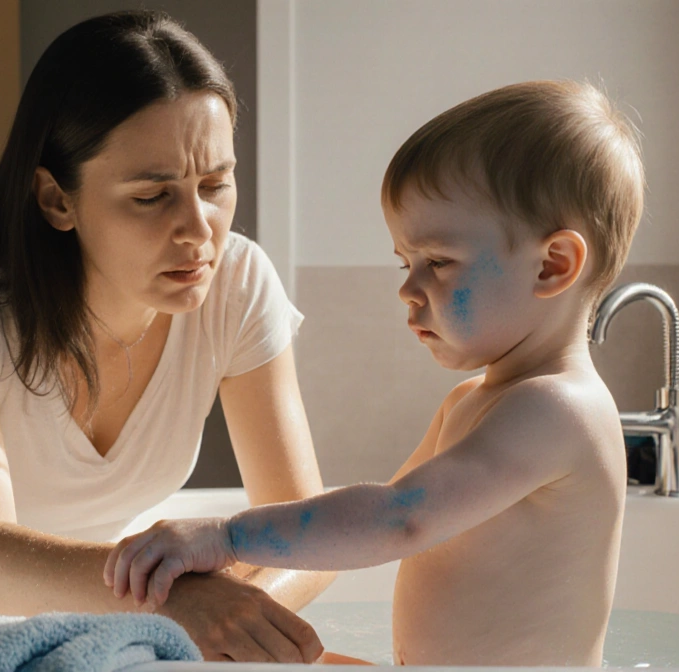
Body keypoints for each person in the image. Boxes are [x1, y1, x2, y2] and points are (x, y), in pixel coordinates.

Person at [105, 80, 644, 667]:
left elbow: (397, 520)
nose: (408, 289)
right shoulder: (473, 401)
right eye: (405, 262)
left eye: (437, 262)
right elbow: (367, 517)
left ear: (553, 265)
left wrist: (226, 537)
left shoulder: (559, 410)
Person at [0, 10, 337, 664]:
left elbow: (308, 529)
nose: (199, 229)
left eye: (216, 184)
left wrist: (236, 621)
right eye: (153, 196)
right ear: (56, 199)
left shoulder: (237, 282)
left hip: (103, 633)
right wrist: (177, 602)